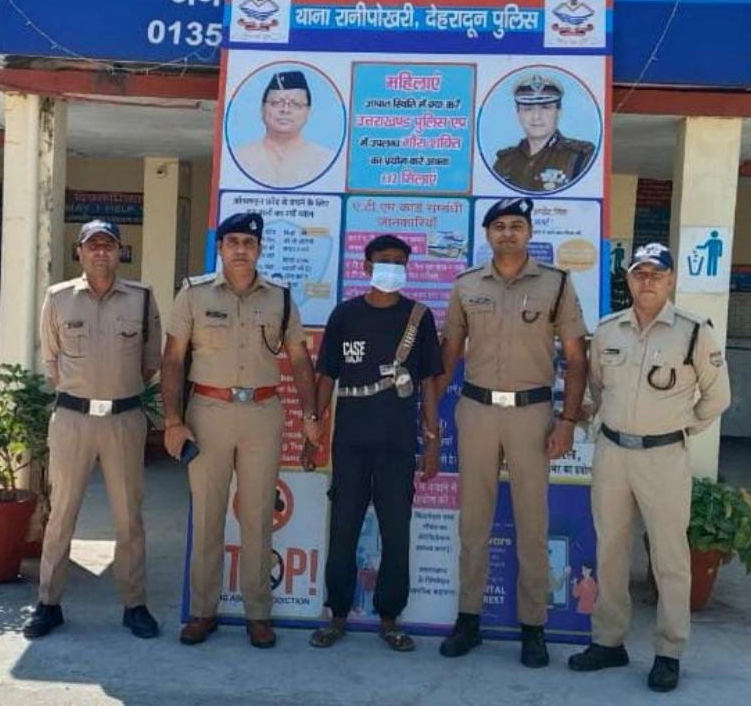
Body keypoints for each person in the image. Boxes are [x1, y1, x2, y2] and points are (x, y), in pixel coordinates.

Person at [568, 242, 731, 693]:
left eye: (657, 274)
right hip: (613, 453)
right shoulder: (608, 330)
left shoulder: (694, 332)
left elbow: (717, 397)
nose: (647, 281)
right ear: (628, 279)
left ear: (671, 280)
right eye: (640, 273)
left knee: (669, 557)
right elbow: (598, 388)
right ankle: (609, 641)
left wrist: (680, 428)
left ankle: (669, 651)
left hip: (663, 457)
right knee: (610, 550)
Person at [438, 197, 588, 667]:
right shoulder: (466, 285)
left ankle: (533, 629)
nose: (508, 232)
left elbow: (576, 358)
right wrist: (429, 408)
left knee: (532, 524)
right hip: (477, 409)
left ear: (529, 233)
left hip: (532, 413)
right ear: (488, 234)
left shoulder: (556, 284)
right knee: (473, 522)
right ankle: (468, 620)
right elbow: (450, 350)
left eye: (516, 225)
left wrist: (568, 421)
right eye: (499, 225)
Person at [160, 212, 318, 647]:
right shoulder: (193, 294)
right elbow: (172, 359)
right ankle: (203, 610)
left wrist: (311, 416)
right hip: (207, 411)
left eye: (249, 243)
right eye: (233, 242)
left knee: (258, 515)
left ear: (259, 249)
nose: (241, 250)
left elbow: (299, 360)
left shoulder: (280, 297)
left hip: (262, 413)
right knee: (207, 514)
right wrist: (172, 421)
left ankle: (258, 613)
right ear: (221, 247)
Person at [23, 220, 162, 640]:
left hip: (123, 420)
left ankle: (134, 605)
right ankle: (48, 603)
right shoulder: (58, 298)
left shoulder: (141, 299)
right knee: (62, 514)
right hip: (73, 420)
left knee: (129, 518)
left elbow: (149, 362)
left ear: (120, 252)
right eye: (93, 245)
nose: (101, 252)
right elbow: (52, 363)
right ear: (79, 252)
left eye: (109, 245)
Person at [307, 234, 442, 652]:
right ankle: (337, 613)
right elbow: (326, 376)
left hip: (397, 444)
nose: (392, 268)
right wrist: (313, 429)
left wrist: (432, 441)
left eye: (400, 262)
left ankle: (389, 617)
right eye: (384, 261)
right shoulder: (345, 315)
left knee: (396, 531)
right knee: (343, 529)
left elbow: (429, 383)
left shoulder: (419, 318)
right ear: (365, 267)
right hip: (350, 442)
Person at [493, 74, 595, 193]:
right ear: (518, 113)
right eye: (528, 109)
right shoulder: (504, 162)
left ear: (559, 112)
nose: (536, 117)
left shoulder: (580, 157)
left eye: (545, 108)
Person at [233, 70, 336, 187]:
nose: (285, 110)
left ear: (308, 112)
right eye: (276, 103)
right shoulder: (240, 157)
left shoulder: (325, 159)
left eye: (295, 104)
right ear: (262, 109)